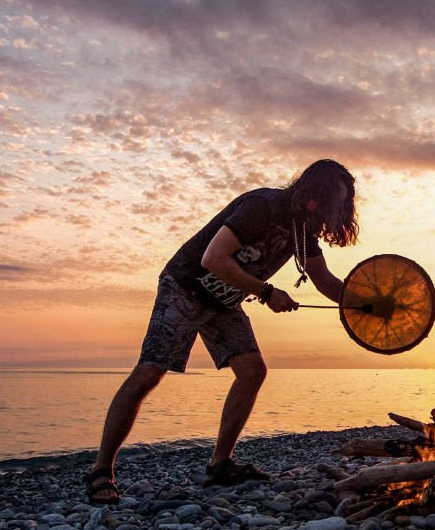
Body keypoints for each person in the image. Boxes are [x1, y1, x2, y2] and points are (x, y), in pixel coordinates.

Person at [84, 160, 359, 504]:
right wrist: (266, 292)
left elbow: (327, 282)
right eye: (337, 199)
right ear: (314, 192)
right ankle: (100, 470)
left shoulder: (303, 231)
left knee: (252, 371)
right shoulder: (262, 206)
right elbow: (213, 258)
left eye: (345, 201)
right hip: (185, 287)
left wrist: (368, 305)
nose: (340, 209)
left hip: (223, 301)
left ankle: (220, 465)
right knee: (149, 374)